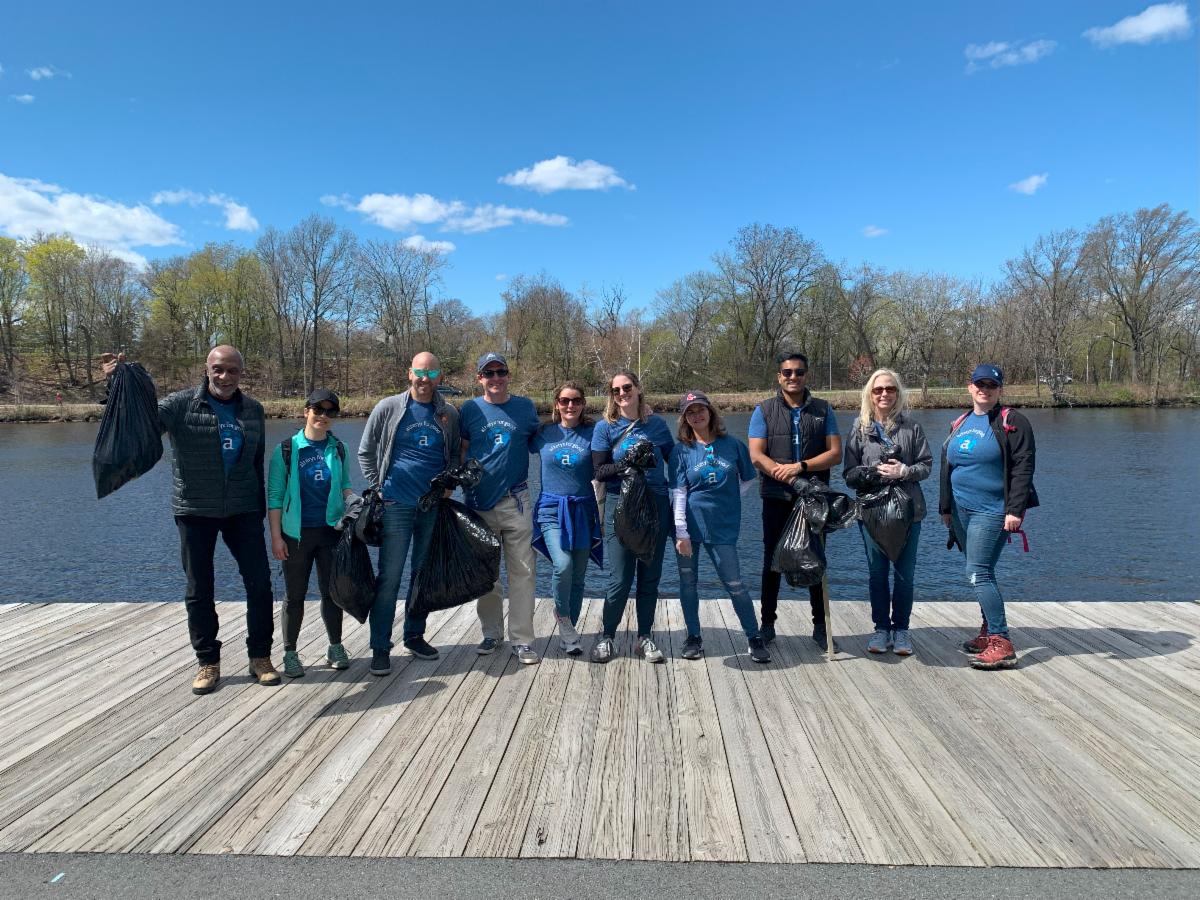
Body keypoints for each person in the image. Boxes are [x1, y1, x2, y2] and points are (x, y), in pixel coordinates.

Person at [99, 346, 279, 695]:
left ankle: (260, 657)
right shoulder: (179, 405)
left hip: (242, 510)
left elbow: (256, 463)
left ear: (242, 372)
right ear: (206, 369)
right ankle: (207, 661)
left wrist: (259, 511)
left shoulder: (254, 410)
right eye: (218, 369)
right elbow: (138, 425)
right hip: (195, 509)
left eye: (232, 371)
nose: (225, 377)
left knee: (260, 585)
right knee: (200, 589)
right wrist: (116, 385)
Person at [358, 351, 461, 675]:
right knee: (389, 578)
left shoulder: (448, 414)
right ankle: (379, 647)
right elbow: (366, 451)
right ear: (409, 374)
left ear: (439, 377)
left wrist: (448, 485)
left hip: (430, 506)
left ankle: (414, 635)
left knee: (421, 575)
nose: (425, 380)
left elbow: (455, 455)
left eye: (431, 374)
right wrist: (379, 487)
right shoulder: (388, 407)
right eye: (420, 372)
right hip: (396, 506)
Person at [939, 364, 1038, 670]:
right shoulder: (961, 422)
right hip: (960, 511)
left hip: (992, 510)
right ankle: (987, 631)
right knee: (983, 572)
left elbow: (1023, 467)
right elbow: (948, 467)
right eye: (979, 384)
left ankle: (1002, 641)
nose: (984, 389)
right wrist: (945, 509)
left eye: (991, 385)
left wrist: (1015, 510)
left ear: (999, 390)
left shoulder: (1012, 421)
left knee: (977, 573)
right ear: (969, 387)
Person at [748, 351, 842, 650]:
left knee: (814, 557)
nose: (793, 377)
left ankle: (819, 625)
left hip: (814, 496)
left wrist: (801, 468)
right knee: (772, 561)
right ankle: (767, 624)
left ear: (806, 375)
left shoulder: (823, 410)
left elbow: (835, 454)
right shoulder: (763, 410)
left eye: (799, 372)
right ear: (779, 376)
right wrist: (787, 476)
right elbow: (756, 456)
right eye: (787, 372)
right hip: (776, 496)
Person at [669, 391, 769, 663]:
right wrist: (681, 532)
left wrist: (729, 497)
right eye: (690, 412)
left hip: (723, 527)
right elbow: (678, 492)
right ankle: (693, 636)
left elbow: (748, 478)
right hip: (689, 527)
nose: (697, 415)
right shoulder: (681, 450)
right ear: (685, 419)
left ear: (711, 412)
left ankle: (753, 636)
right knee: (688, 583)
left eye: (701, 409)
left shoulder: (733, 445)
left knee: (734, 583)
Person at [842, 369, 932, 657]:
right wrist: (871, 472)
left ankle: (901, 630)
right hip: (871, 512)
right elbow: (848, 473)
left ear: (898, 393)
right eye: (878, 389)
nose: (884, 394)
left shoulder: (912, 428)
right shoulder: (859, 428)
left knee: (905, 574)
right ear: (870, 394)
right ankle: (881, 628)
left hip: (908, 512)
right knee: (876, 574)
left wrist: (903, 470)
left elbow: (926, 466)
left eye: (890, 389)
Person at [460, 352, 542, 664]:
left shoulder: (525, 407)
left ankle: (522, 640)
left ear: (508, 375)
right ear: (479, 378)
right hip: (479, 503)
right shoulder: (469, 409)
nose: (495, 378)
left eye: (501, 372)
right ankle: (491, 633)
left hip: (517, 501)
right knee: (487, 574)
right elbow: (462, 449)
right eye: (488, 373)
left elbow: (541, 440)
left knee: (523, 571)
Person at [589, 368, 675, 664]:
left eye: (627, 388)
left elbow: (675, 464)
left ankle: (644, 636)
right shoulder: (605, 428)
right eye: (616, 390)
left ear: (638, 389)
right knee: (620, 578)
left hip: (656, 505)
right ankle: (607, 636)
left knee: (649, 577)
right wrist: (626, 463)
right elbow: (599, 471)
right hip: (621, 506)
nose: (622, 394)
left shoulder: (658, 426)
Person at [267, 389, 354, 677]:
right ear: (306, 411)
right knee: (295, 595)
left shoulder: (338, 449)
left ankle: (335, 646)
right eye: (318, 410)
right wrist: (276, 537)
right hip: (296, 535)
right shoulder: (286, 450)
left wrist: (357, 506)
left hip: (330, 532)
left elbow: (345, 487)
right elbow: (275, 497)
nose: (324, 416)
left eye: (331, 412)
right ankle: (290, 652)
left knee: (332, 594)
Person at [531, 381, 603, 655]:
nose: (570, 405)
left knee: (579, 576)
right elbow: (511, 446)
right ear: (556, 404)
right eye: (564, 401)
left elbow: (618, 440)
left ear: (583, 403)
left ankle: (568, 627)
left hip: (584, 509)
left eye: (575, 400)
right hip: (551, 508)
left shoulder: (594, 433)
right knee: (562, 565)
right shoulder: (543, 433)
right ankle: (564, 620)